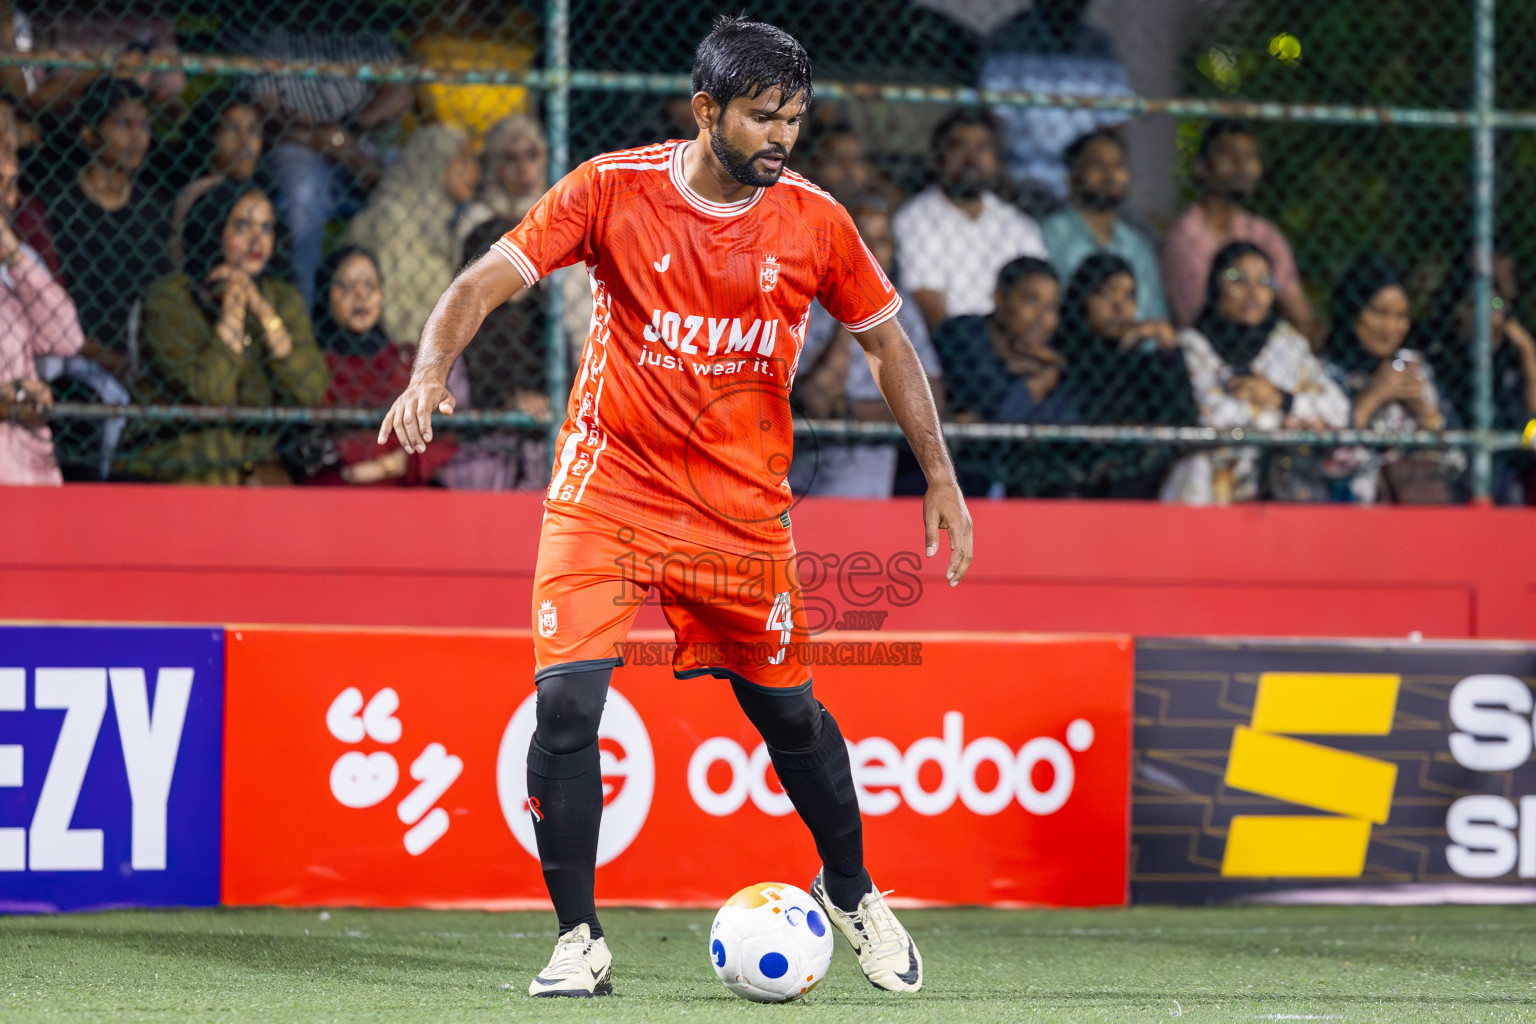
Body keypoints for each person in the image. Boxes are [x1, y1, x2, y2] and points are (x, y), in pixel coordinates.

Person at [379, 15, 971, 999]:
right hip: (606, 489)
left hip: (740, 514)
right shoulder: (611, 188)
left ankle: (852, 888)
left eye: (794, 118)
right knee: (567, 705)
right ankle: (579, 940)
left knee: (790, 714)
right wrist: (429, 371)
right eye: (763, 117)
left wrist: (940, 476)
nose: (782, 137)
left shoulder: (817, 220)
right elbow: (482, 282)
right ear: (706, 110)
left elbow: (886, 344)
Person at [126, 182, 327, 484]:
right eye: (242, 226)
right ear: (215, 229)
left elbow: (309, 390)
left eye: (266, 228)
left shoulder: (283, 299)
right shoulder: (169, 299)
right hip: (181, 456)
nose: (256, 239)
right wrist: (233, 309)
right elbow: (210, 392)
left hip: (259, 459)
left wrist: (264, 313)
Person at [233, 14, 413, 306]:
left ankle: (405, 313)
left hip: (357, 136)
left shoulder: (359, 19)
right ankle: (301, 309)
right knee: (302, 193)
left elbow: (399, 90)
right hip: (296, 142)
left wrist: (348, 134)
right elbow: (263, 108)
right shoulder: (266, 24)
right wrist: (321, 137)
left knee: (412, 174)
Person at [1166, 242, 1349, 504]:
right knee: (1197, 467)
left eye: (1264, 281)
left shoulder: (1288, 343)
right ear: (1215, 285)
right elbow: (1213, 417)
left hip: (1276, 474)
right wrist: (1290, 420)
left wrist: (1281, 399)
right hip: (1215, 478)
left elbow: (1338, 410)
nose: (1253, 293)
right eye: (1237, 279)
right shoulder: (1192, 345)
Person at [790, 198, 944, 498]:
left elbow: (934, 396)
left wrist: (855, 411)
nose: (870, 251)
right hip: (801, 459)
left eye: (882, 242)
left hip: (870, 462)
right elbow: (816, 402)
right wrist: (851, 312)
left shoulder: (903, 310)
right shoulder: (805, 301)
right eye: (861, 239)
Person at [300, 246, 455, 487]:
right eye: (347, 286)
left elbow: (448, 440)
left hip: (404, 489)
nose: (361, 295)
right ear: (325, 293)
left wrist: (390, 465)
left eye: (369, 285)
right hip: (333, 492)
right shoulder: (314, 365)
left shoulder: (408, 361)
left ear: (381, 294)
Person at [48, 78, 166, 382]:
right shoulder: (60, 206)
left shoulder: (151, 210)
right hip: (71, 357)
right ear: (89, 134)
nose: (138, 136)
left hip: (140, 358)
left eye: (144, 124)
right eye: (123, 123)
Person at [933, 256, 1077, 496]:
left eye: (1052, 308)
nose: (1043, 318)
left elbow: (1060, 425)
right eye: (1031, 301)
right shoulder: (963, 334)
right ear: (1000, 298)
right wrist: (1039, 384)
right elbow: (996, 408)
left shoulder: (1059, 353)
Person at [892, 108, 1047, 330]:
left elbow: (1040, 295)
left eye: (982, 148)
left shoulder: (1018, 224)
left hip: (1013, 340)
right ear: (939, 158)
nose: (971, 159)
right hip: (949, 342)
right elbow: (931, 310)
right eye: (959, 147)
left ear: (996, 159)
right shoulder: (914, 219)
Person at [1055, 252, 1196, 497]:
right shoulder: (1059, 357)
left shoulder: (1142, 364)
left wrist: (1169, 349)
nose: (1120, 307)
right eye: (1107, 293)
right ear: (1083, 299)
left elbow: (1186, 421)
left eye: (1129, 296)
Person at [1160, 121, 1317, 339]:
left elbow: (1297, 309)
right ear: (1201, 166)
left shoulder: (1262, 233)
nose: (1242, 165)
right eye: (1229, 155)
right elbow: (1200, 319)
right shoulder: (1185, 237)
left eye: (1249, 157)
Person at [1325, 252, 1460, 504]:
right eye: (1379, 312)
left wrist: (1425, 412)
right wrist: (1373, 397)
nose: (1390, 328)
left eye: (1400, 316)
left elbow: (1457, 462)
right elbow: (1327, 464)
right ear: (1354, 309)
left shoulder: (1414, 368)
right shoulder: (1326, 374)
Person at [978, 0, 1135, 209]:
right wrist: (1005, 183)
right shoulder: (1010, 41)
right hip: (1021, 178)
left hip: (1082, 183)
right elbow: (992, 123)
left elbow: (1113, 127)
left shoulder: (1099, 48)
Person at [346, 125, 479, 348]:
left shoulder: (445, 225)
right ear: (435, 163)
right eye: (463, 161)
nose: (474, 171)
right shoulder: (391, 218)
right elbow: (393, 309)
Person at [0, 146, 85, 485]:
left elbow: (68, 337)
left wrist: (14, 258)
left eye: (11, 184)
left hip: (27, 470)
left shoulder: (18, 263)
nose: (7, 198)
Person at [1420, 257, 1536, 504]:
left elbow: (1529, 423)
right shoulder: (1442, 364)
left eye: (1496, 304)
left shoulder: (1510, 366)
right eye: (1474, 304)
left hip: (1508, 465)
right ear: (1457, 312)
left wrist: (1527, 352)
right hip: (1456, 468)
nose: (1487, 316)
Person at [1041, 129, 1167, 320]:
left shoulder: (1137, 245)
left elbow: (1154, 313)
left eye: (1118, 166)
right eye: (1099, 165)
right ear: (1073, 175)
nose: (1111, 175)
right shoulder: (1051, 235)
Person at [168, 91, 265, 269]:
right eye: (233, 129)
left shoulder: (263, 189)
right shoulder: (199, 194)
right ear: (209, 136)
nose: (245, 142)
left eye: (253, 130)